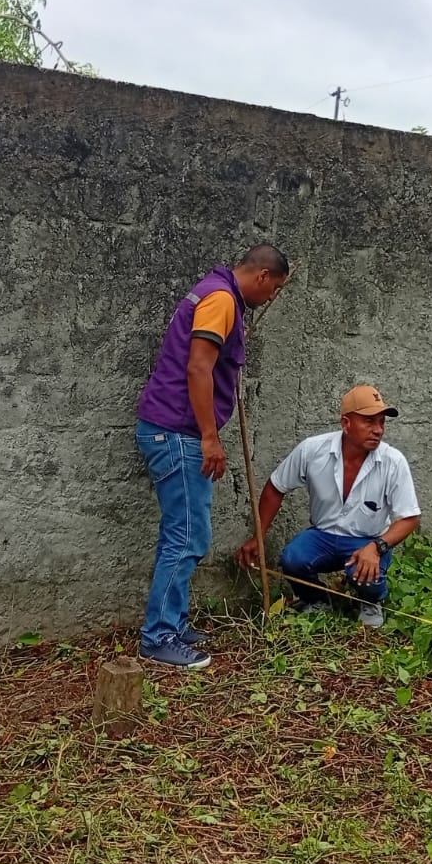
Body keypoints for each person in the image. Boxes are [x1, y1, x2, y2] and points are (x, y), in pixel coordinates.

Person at [135, 245, 290, 669]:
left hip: (173, 429)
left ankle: (173, 623)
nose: (271, 297)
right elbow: (198, 368)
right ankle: (159, 636)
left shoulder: (215, 294)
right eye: (274, 289)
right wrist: (209, 437)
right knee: (186, 536)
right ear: (262, 276)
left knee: (185, 533)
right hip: (178, 433)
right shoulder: (220, 300)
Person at [236, 385, 421, 629]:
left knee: (366, 573)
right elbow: (275, 487)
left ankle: (371, 602)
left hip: (367, 541)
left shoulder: (393, 462)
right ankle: (317, 600)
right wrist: (258, 536)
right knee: (293, 559)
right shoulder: (313, 450)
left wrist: (376, 547)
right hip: (323, 536)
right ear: (346, 424)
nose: (378, 430)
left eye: (381, 422)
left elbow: (410, 518)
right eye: (369, 421)